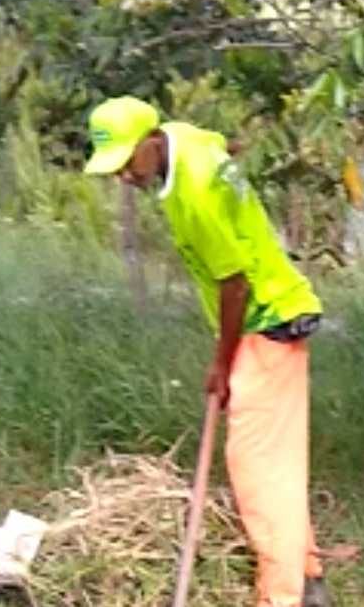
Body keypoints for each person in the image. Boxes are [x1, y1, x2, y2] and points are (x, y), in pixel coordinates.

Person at [83, 96, 330, 607]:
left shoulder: (193, 195)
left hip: (268, 316)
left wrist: (221, 363)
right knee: (274, 456)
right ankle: (306, 577)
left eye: (129, 161)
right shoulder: (184, 137)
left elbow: (234, 283)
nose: (125, 177)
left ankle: (282, 597)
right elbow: (225, 144)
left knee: (256, 465)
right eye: (116, 168)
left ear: (151, 141)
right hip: (279, 308)